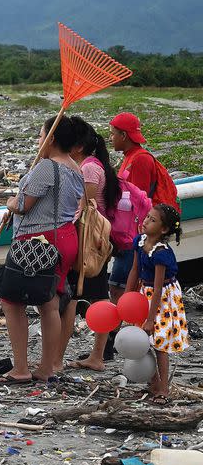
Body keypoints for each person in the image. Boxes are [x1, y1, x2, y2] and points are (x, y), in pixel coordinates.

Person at [0, 116, 84, 384]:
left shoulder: (47, 167)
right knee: (50, 302)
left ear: (52, 138)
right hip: (65, 238)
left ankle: (20, 368)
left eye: (41, 134)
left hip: (38, 242)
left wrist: (11, 203)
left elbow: (23, 204)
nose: (38, 140)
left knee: (12, 299)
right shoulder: (76, 169)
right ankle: (47, 367)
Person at [59, 118, 121, 372]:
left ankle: (93, 355)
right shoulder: (92, 165)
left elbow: (84, 208)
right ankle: (96, 354)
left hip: (89, 242)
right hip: (93, 241)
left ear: (79, 146)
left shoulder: (89, 169)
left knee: (85, 297)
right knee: (90, 297)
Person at [125, 204, 188, 405]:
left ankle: (164, 388)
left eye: (152, 220)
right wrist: (127, 297)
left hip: (163, 298)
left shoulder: (162, 253)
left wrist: (151, 319)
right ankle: (152, 383)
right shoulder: (139, 241)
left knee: (159, 343)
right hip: (145, 293)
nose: (145, 221)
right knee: (142, 341)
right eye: (147, 217)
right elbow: (134, 270)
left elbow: (160, 288)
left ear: (163, 230)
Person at [109, 112, 154, 303]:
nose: (111, 138)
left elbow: (141, 203)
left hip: (132, 237)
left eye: (113, 133)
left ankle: (119, 329)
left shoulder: (140, 159)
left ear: (124, 135)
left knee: (120, 287)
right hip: (125, 235)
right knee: (118, 285)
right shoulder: (130, 157)